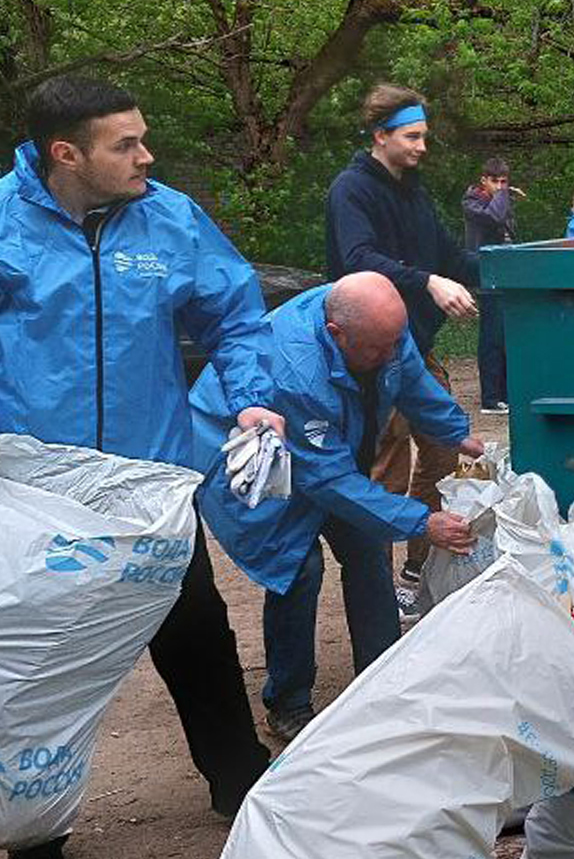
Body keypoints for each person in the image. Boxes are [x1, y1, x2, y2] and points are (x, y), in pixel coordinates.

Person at [0, 74, 279, 859]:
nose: (146, 155)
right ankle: (32, 834)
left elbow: (235, 314)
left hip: (150, 485)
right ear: (65, 153)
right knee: (35, 669)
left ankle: (243, 786)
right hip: (37, 499)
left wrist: (252, 395)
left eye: (144, 138)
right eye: (127, 144)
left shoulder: (171, 218)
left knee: (196, 637)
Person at [190, 272, 484, 740]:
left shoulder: (381, 327)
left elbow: (409, 376)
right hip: (250, 459)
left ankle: (385, 677)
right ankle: (288, 701)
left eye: (395, 340)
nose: (389, 353)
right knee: (297, 566)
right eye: (377, 348)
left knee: (367, 546)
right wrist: (420, 521)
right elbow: (329, 482)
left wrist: (455, 431)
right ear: (335, 334)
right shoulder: (294, 371)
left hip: (318, 452)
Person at [324, 83, 477, 607]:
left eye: (424, 137)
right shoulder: (351, 190)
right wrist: (427, 282)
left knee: (444, 453)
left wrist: (511, 268)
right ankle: (377, 587)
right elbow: (357, 257)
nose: (421, 147)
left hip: (417, 349)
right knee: (383, 474)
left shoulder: (414, 191)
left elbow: (452, 257)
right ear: (380, 135)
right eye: (412, 137)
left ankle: (419, 572)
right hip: (370, 356)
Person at [462, 158, 522, 414]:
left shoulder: (501, 200)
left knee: (508, 336)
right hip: (487, 275)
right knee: (492, 337)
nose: (500, 186)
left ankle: (507, 393)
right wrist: (505, 195)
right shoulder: (472, 203)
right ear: (483, 180)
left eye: (504, 181)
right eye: (495, 181)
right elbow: (493, 217)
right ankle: (491, 397)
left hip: (507, 274)